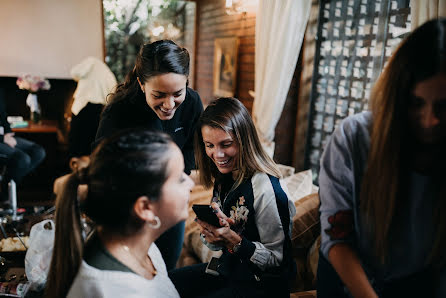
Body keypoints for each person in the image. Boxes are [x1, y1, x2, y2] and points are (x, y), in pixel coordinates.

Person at [317, 18, 446, 298]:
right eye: (416, 103)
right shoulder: (353, 138)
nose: (430, 120)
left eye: (443, 106)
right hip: (348, 282)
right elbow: (336, 237)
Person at [169, 97, 296, 297]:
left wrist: (234, 241)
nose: (217, 154)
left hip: (262, 286)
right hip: (228, 271)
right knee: (166, 284)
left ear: (244, 140)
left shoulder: (267, 189)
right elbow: (219, 241)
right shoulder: (224, 177)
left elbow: (277, 259)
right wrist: (212, 234)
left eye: (226, 144)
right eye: (209, 145)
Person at [45, 129, 194, 297]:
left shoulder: (141, 245)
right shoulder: (115, 290)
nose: (190, 183)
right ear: (145, 208)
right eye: (180, 179)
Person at [95, 40, 203, 270]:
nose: (169, 104)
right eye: (159, 94)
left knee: (166, 266)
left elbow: (194, 147)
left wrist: (176, 178)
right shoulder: (120, 110)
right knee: (131, 269)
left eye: (177, 93)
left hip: (170, 202)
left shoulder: (193, 103)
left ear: (186, 83)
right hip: (130, 204)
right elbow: (101, 162)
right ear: (141, 85)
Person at [0, 87, 45, 197]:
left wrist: (7, 132)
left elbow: (2, 112)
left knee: (38, 151)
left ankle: (7, 185)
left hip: (3, 135)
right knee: (22, 159)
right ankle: (5, 196)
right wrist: (2, 139)